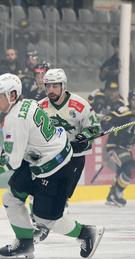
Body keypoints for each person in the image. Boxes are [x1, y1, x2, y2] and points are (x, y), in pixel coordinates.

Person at [0, 73, 104, 259]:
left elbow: (11, 161)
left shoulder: (14, 119)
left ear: (12, 95)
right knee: (12, 197)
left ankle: (86, 233)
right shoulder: (28, 103)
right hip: (39, 161)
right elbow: (20, 148)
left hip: (57, 168)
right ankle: (24, 243)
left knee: (45, 220)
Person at [35, 68, 101, 240]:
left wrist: (84, 137)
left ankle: (82, 233)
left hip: (73, 160)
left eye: (55, 86)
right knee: (38, 192)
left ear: (63, 86)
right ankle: (40, 225)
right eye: (48, 86)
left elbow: (94, 128)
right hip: (50, 159)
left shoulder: (80, 105)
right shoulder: (40, 107)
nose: (51, 90)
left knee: (60, 197)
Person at [101, 91, 135, 207]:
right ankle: (117, 194)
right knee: (130, 169)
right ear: (130, 101)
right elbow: (105, 120)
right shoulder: (124, 112)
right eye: (134, 100)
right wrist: (110, 126)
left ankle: (111, 196)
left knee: (122, 172)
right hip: (115, 146)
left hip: (126, 149)